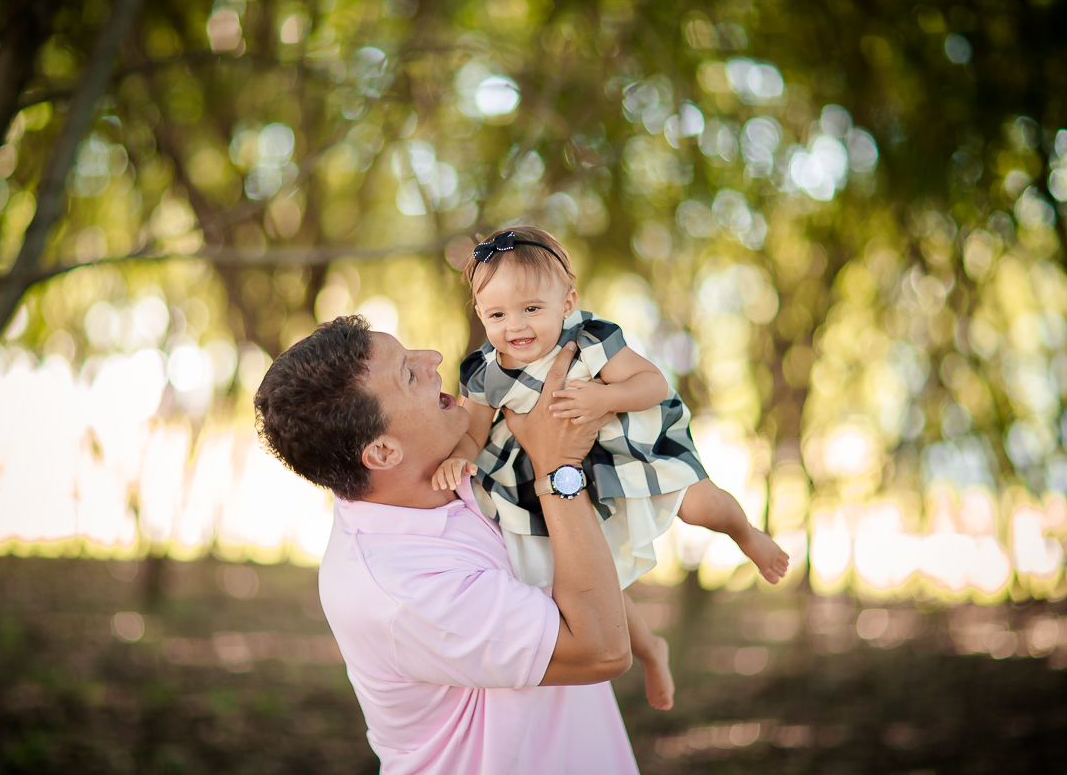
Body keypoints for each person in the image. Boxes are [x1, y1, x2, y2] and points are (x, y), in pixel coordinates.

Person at [255, 315, 641, 774]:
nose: (434, 359)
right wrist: (559, 468)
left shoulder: (447, 471)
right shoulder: (403, 590)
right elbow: (603, 650)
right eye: (407, 373)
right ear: (382, 453)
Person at [433, 226, 789, 710]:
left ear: (567, 301)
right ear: (480, 314)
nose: (515, 326)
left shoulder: (590, 341)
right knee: (587, 574)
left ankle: (745, 533)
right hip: (551, 477)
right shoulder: (484, 371)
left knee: (701, 505)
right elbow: (475, 431)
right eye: (497, 314)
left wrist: (606, 395)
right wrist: (460, 456)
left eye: (532, 309)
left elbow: (653, 383)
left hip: (626, 446)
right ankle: (649, 651)